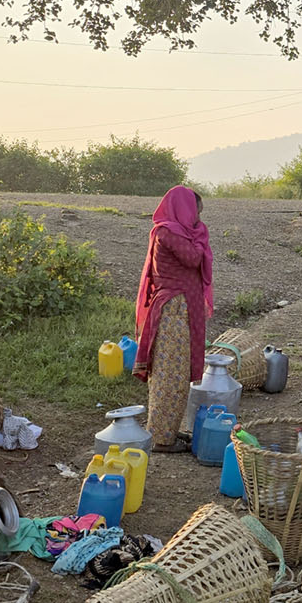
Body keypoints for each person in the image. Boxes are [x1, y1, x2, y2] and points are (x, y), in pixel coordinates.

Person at [133, 186, 214, 453]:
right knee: (170, 375)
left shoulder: (175, 232)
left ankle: (166, 428)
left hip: (180, 308)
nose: (198, 220)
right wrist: (201, 239)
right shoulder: (167, 232)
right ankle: (161, 438)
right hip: (173, 311)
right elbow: (192, 259)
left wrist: (198, 235)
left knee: (175, 375)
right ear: (183, 209)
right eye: (195, 214)